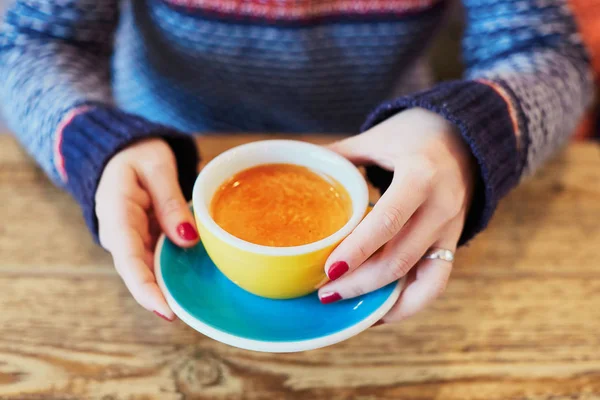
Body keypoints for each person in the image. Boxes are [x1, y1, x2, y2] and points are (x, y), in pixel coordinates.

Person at [0, 0, 596, 323]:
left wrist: (464, 136)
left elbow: (547, 53)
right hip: (161, 170)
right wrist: (95, 141)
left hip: (393, 165)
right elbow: (30, 40)